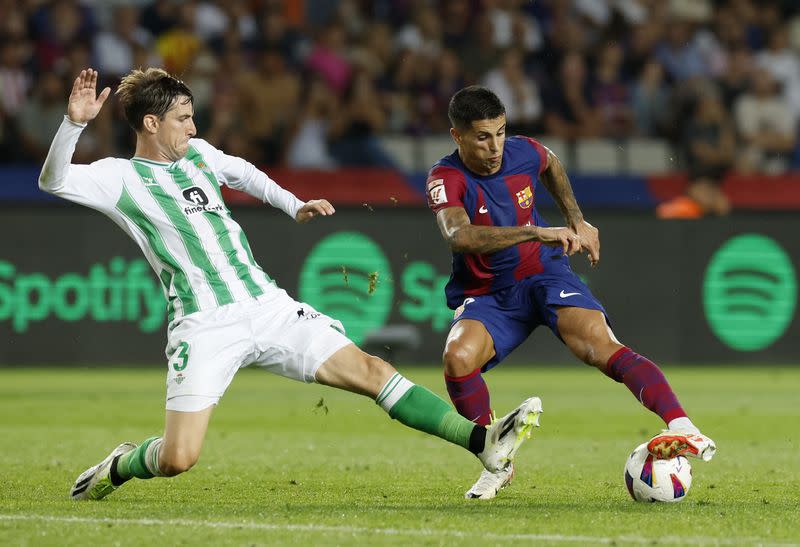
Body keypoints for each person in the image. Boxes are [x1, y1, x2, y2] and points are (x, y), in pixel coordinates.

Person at [40, 68, 542, 502]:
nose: (193, 127)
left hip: (266, 306)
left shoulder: (198, 154)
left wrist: (291, 203)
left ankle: (483, 441)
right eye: (182, 118)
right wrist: (74, 124)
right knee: (177, 458)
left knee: (371, 370)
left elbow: (244, 174)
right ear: (151, 123)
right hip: (204, 324)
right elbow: (54, 181)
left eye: (193, 116)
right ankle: (121, 465)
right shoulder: (120, 178)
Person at [426, 86, 716, 500]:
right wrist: (535, 231)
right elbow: (459, 235)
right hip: (489, 293)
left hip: (544, 274)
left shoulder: (524, 151)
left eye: (500, 133)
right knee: (456, 358)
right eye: (482, 137)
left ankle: (682, 426)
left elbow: (552, 163)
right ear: (457, 136)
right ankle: (497, 460)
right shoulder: (445, 177)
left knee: (600, 345)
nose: (495, 147)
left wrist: (577, 220)